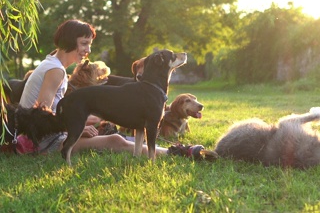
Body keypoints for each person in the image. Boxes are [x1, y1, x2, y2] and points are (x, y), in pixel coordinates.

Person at [17, 19, 213, 160]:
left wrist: (83, 120)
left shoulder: (52, 64)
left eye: (89, 44)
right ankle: (177, 152)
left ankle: (165, 148)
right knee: (115, 140)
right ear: (69, 41)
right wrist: (76, 127)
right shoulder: (56, 71)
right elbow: (40, 114)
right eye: (84, 43)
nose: (88, 50)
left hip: (46, 135)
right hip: (43, 141)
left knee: (106, 123)